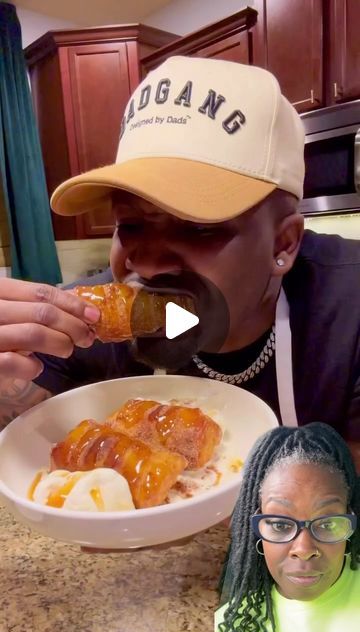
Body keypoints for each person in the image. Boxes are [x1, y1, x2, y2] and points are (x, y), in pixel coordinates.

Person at [0, 56, 359, 458]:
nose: (148, 265)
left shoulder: (349, 310)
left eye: (197, 227)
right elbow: (25, 419)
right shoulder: (85, 320)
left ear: (283, 244)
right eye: (131, 226)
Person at [215, 422, 360, 632]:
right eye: (281, 525)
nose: (304, 549)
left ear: (350, 518)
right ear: (255, 528)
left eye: (328, 524)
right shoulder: (231, 626)